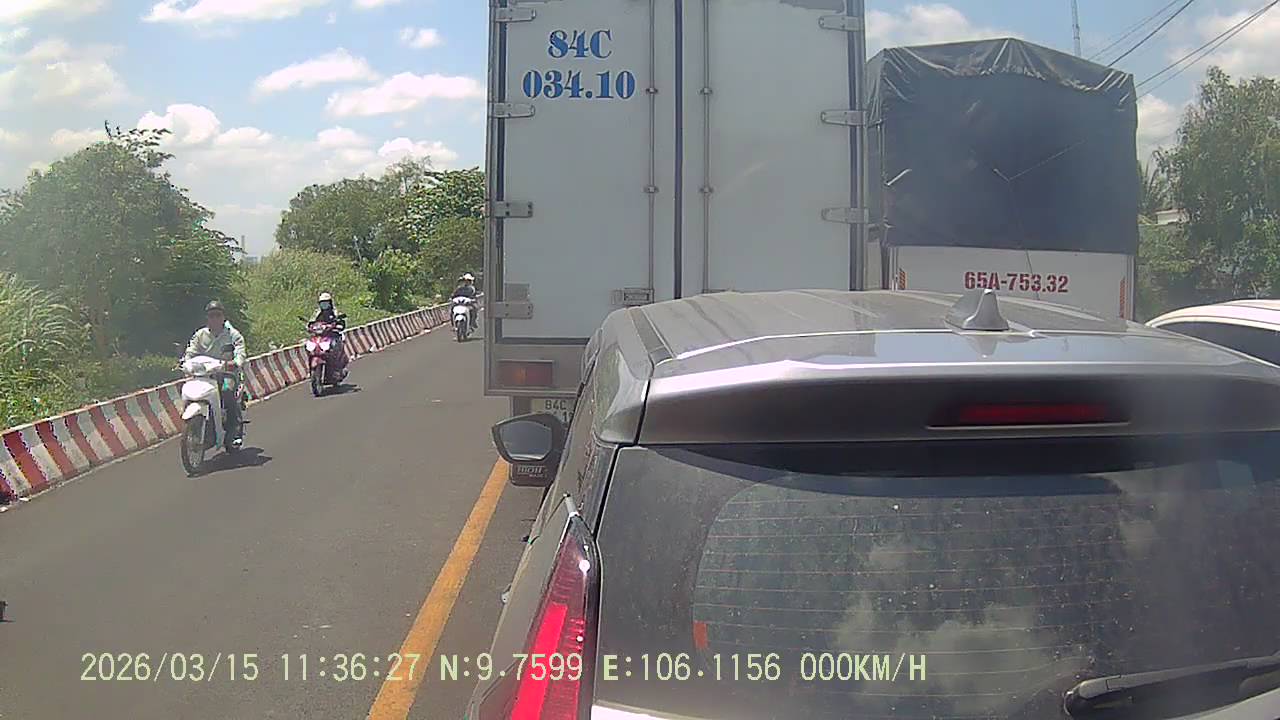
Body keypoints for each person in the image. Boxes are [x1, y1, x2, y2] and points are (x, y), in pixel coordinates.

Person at [185, 300, 247, 448]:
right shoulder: (200, 335)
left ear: (223, 317)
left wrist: (236, 362)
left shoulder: (232, 334)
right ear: (207, 318)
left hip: (227, 374)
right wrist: (185, 362)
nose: (215, 319)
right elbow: (191, 351)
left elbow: (240, 351)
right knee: (190, 394)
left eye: (218, 315)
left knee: (227, 392)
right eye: (211, 315)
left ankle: (233, 428)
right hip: (205, 375)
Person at [309, 291, 348, 377]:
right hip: (321, 336)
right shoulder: (317, 312)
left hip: (332, 335)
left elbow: (341, 321)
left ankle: (337, 368)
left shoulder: (335, 311)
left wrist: (338, 325)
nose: (324, 305)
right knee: (311, 346)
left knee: (334, 347)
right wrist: (310, 326)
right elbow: (311, 321)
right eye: (322, 303)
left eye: (326, 303)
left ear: (330, 303)